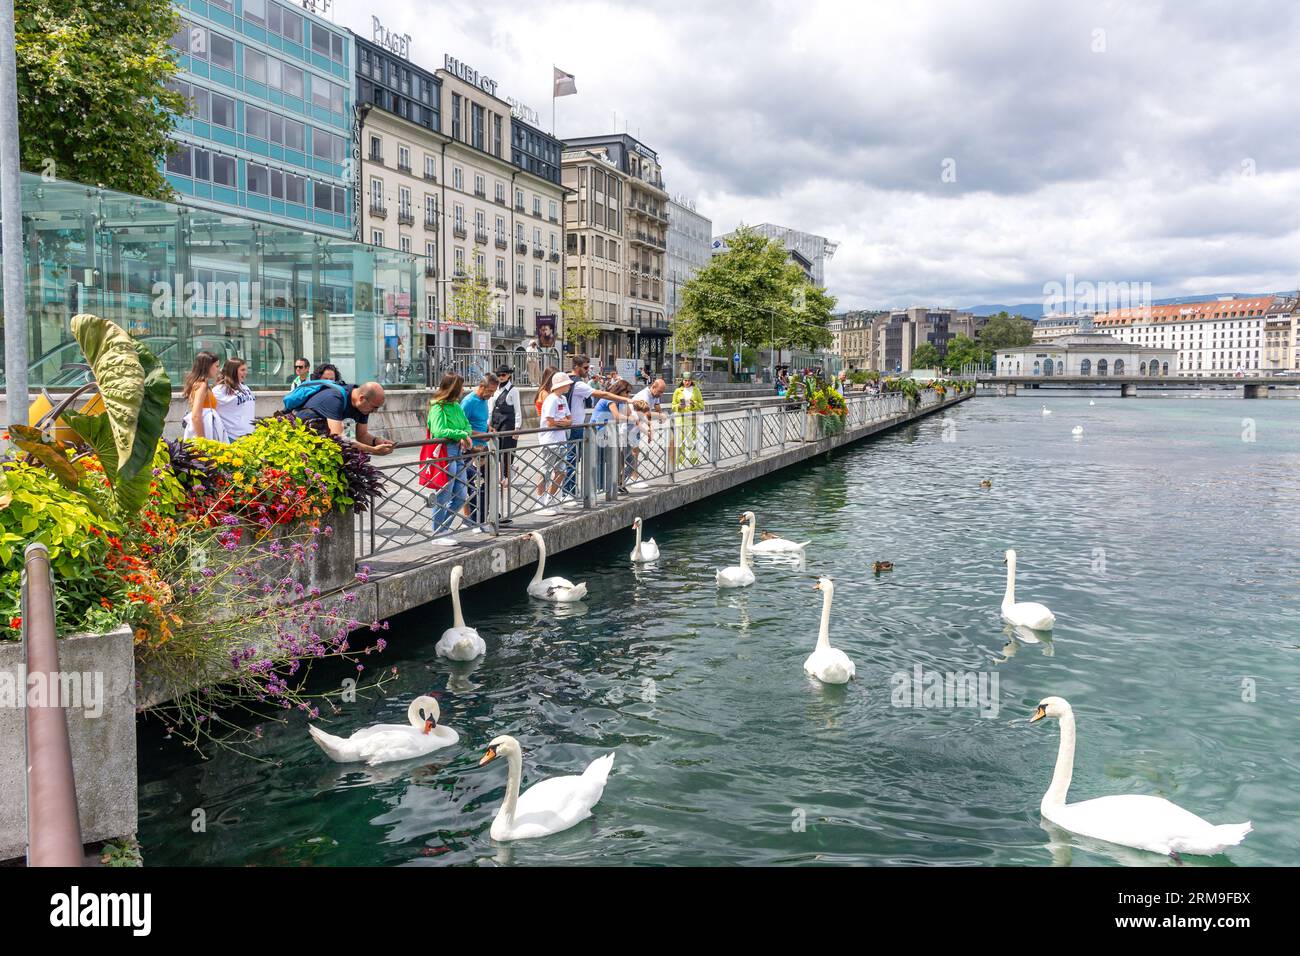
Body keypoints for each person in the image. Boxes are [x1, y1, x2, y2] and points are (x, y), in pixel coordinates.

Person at [563, 355, 629, 500]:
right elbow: (603, 394)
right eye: (585, 368)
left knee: (572, 459)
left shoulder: (569, 381)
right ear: (577, 367)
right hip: (575, 427)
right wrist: (626, 399)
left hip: (574, 426)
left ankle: (571, 490)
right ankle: (568, 492)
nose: (588, 371)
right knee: (572, 459)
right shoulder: (578, 384)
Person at [292, 381, 394, 455]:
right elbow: (339, 438)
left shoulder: (363, 407)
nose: (374, 411)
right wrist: (374, 450)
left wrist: (377, 441)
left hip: (327, 448)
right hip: (303, 444)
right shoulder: (334, 399)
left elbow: (361, 435)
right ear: (362, 398)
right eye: (374, 407)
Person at [427, 374, 473, 537]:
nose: (463, 390)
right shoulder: (437, 407)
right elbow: (439, 431)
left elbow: (467, 424)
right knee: (445, 494)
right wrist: (461, 434)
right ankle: (438, 532)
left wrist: (465, 434)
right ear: (454, 388)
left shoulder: (456, 406)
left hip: (458, 452)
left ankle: (443, 529)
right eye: (461, 386)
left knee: (461, 495)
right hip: (445, 452)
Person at [459, 372, 498, 530]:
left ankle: (482, 518)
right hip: (470, 449)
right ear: (481, 387)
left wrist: (488, 429)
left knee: (486, 484)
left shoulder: (484, 400)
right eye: (489, 391)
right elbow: (462, 427)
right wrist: (482, 435)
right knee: (473, 486)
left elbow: (480, 421)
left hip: (483, 448)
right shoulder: (469, 401)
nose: (491, 395)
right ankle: (474, 520)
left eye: (494, 392)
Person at [488, 364, 523, 525]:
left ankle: (507, 475)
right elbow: (490, 409)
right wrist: (487, 425)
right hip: (495, 423)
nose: (501, 377)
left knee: (508, 453)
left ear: (509, 375)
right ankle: (501, 476)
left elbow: (517, 410)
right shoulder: (494, 390)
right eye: (499, 375)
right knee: (495, 453)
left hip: (508, 425)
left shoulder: (513, 390)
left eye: (504, 375)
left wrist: (517, 428)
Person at [537, 371, 573, 513]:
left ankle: (551, 499)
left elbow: (570, 418)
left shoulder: (562, 399)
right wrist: (565, 423)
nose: (569, 386)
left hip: (561, 439)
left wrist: (565, 422)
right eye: (567, 384)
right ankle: (539, 501)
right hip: (550, 439)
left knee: (561, 471)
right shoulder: (551, 399)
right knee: (546, 470)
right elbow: (550, 421)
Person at [589, 378, 633, 493]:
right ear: (620, 391)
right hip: (598, 431)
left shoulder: (618, 401)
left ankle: (616, 484)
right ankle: (601, 488)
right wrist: (630, 419)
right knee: (602, 460)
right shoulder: (610, 399)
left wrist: (626, 401)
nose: (628, 394)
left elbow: (628, 414)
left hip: (608, 432)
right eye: (627, 392)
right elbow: (617, 416)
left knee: (617, 459)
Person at [182, 351, 225, 442]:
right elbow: (196, 416)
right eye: (216, 366)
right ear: (208, 366)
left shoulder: (199, 384)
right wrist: (203, 442)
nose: (218, 370)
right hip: (204, 434)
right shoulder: (202, 385)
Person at [213, 357, 257, 439]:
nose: (246, 373)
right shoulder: (220, 389)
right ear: (233, 371)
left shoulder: (244, 387)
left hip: (248, 437)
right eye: (242, 370)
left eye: (246, 370)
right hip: (231, 437)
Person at [671, 372, 704, 466]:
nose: (687, 382)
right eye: (685, 380)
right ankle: (679, 463)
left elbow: (702, 405)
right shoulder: (678, 391)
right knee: (679, 442)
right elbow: (673, 406)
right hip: (680, 418)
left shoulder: (696, 390)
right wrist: (679, 406)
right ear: (682, 380)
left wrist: (694, 404)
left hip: (692, 418)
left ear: (692, 381)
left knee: (692, 440)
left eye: (689, 380)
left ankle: (694, 462)